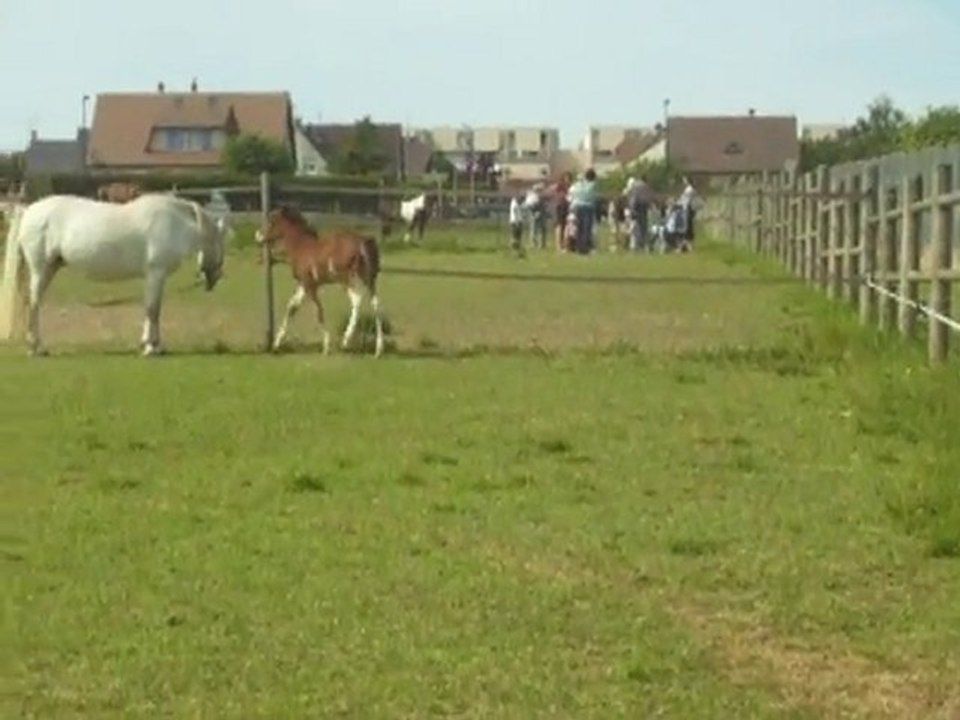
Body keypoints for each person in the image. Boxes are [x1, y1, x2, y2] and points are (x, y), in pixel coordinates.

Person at [567, 168, 598, 255]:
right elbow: (594, 196)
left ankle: (578, 246)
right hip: (588, 207)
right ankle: (584, 247)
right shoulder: (593, 185)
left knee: (579, 227)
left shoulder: (578, 184)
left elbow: (572, 192)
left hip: (577, 206)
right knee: (586, 228)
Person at [623, 175, 654, 252]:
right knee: (644, 225)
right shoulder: (646, 186)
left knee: (637, 225)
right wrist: (649, 205)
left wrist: (632, 208)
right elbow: (648, 198)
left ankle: (638, 244)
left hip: (637, 206)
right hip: (643, 207)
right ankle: (644, 244)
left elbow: (633, 198)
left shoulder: (635, 186)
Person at [677, 176, 704, 250]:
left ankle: (687, 244)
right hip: (688, 208)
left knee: (687, 226)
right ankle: (689, 244)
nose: (683, 182)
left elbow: (685, 199)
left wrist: (678, 203)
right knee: (688, 226)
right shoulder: (689, 189)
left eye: (684, 180)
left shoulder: (689, 190)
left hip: (689, 208)